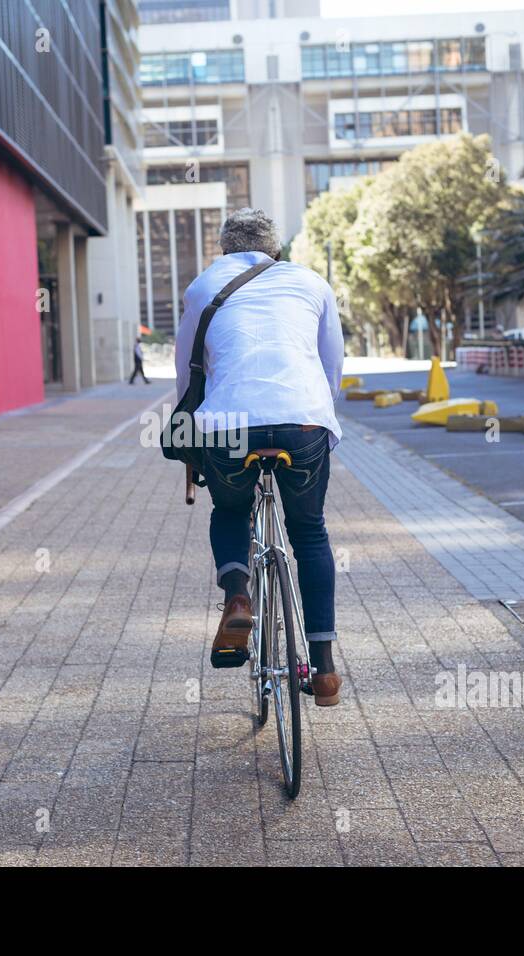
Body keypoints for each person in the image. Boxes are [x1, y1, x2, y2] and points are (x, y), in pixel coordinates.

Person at [174, 208, 344, 706]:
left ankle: (237, 598)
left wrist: (189, 433)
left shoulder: (204, 286)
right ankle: (326, 669)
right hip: (303, 422)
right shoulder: (312, 283)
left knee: (228, 509)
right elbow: (331, 363)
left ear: (224, 249)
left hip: (227, 427)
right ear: (276, 251)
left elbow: (188, 373)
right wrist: (318, 415)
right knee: (309, 531)